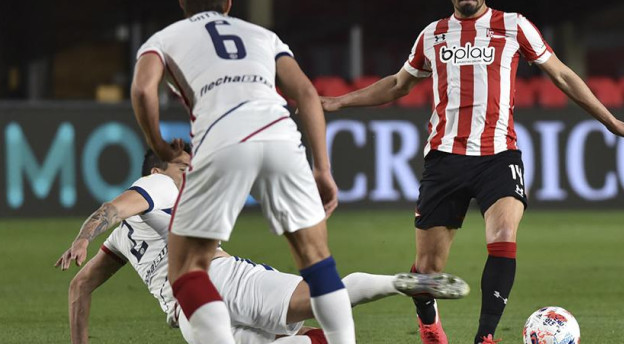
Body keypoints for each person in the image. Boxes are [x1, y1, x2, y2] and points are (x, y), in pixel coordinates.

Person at [320, 0, 624, 344]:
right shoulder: (433, 35)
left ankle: (486, 337)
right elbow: (396, 84)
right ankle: (429, 325)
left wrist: (613, 122)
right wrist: (339, 101)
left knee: (503, 236)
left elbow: (564, 76)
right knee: (427, 271)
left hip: (499, 154)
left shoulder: (513, 26)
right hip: (444, 158)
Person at [129, 0, 356, 344]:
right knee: (317, 260)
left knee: (186, 268)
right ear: (230, 1)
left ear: (182, 2)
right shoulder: (262, 36)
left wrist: (160, 147)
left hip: (222, 138)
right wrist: (322, 167)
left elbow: (142, 88)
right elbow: (305, 94)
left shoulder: (164, 40)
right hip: (281, 135)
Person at [55, 146, 470, 344]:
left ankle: (404, 285)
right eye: (184, 166)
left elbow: (79, 287)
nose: (188, 173)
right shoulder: (159, 183)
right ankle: (401, 283)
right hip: (221, 278)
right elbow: (114, 205)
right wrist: (81, 236)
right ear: (157, 168)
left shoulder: (125, 237)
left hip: (190, 316)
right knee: (328, 300)